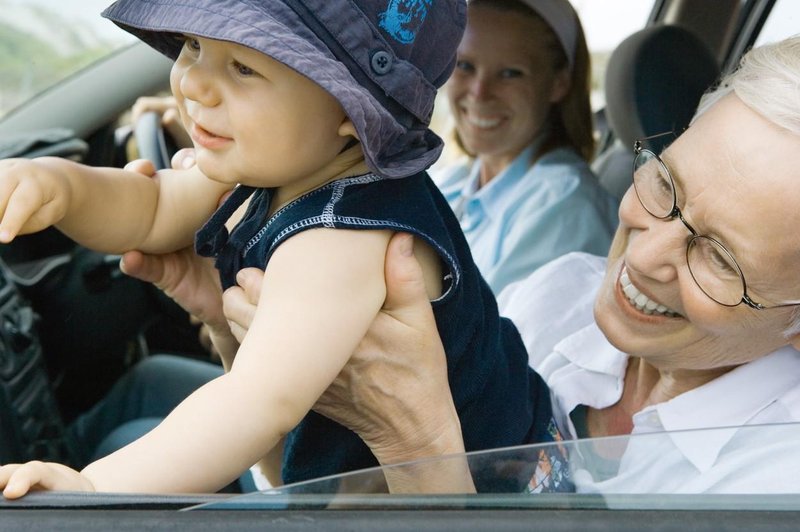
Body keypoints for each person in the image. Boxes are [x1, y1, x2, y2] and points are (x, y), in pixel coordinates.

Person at [0, 0, 560, 498]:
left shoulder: (342, 239)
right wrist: (58, 188)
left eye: (243, 67)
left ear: (350, 110)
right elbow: (151, 209)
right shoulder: (285, 160)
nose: (194, 83)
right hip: (353, 482)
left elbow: (257, 401)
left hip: (497, 496)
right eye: (195, 46)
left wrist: (96, 484)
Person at [221, 35, 800, 493]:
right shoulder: (562, 292)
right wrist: (232, 332)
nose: (642, 258)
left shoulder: (775, 481)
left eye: (720, 258)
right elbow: (309, 492)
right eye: (665, 183)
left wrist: (415, 445)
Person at [434, 0, 618, 294]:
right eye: (465, 66)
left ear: (558, 83)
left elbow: (486, 337)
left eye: (510, 73)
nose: (480, 92)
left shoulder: (565, 206)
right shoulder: (453, 183)